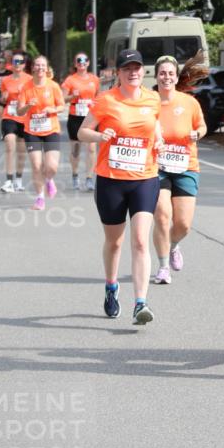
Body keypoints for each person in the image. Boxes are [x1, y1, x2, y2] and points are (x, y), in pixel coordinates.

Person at [78, 49, 163, 327]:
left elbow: (155, 124)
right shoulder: (106, 100)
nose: (133, 72)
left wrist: (159, 140)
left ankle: (141, 303)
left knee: (140, 240)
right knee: (114, 242)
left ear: (142, 71)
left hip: (144, 177)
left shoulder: (152, 98)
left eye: (136, 68)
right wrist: (100, 135)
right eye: (127, 68)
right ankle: (111, 285)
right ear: (119, 73)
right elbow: (82, 132)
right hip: (111, 180)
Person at [152, 53, 208, 284]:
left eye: (170, 74)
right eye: (162, 73)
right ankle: (163, 266)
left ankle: (173, 245)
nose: (166, 77)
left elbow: (202, 126)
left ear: (176, 77)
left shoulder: (189, 102)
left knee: (183, 224)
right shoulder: (149, 102)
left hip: (186, 166)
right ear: (156, 76)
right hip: (157, 166)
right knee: (162, 215)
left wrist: (197, 134)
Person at [17, 55, 65, 210]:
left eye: (43, 65)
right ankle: (39, 198)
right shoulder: (25, 87)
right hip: (32, 131)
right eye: (37, 65)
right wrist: (28, 106)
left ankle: (49, 179)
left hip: (51, 129)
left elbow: (62, 106)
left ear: (47, 68)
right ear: (32, 68)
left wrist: (52, 109)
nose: (40, 68)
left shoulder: (53, 86)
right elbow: (19, 111)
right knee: (37, 165)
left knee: (52, 166)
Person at [61, 52, 100, 191]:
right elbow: (62, 99)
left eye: (85, 60)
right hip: (75, 117)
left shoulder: (94, 79)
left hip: (90, 117)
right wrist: (72, 96)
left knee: (91, 148)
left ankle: (89, 178)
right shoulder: (70, 80)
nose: (82, 62)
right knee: (76, 150)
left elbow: (98, 97)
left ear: (88, 63)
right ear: (75, 63)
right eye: (79, 60)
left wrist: (94, 103)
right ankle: (75, 175)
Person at [0, 52, 31, 192]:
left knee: (21, 151)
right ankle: (9, 181)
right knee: (10, 143)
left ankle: (18, 179)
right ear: (11, 64)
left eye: (20, 62)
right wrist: (4, 98)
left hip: (24, 117)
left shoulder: (30, 80)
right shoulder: (5, 80)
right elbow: (2, 99)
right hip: (9, 116)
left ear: (24, 64)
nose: (17, 64)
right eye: (15, 62)